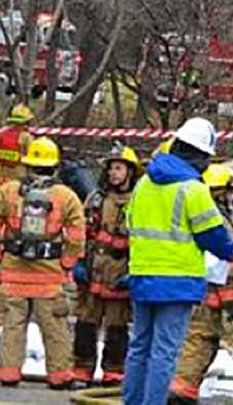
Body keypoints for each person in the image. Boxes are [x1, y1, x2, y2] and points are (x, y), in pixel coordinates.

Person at [124, 117, 233, 405]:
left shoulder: (143, 184)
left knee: (139, 346)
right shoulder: (193, 189)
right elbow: (214, 237)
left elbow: (130, 223)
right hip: (178, 281)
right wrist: (230, 250)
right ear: (201, 156)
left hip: (142, 275)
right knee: (165, 350)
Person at [0, 136, 85, 388]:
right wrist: (67, 262)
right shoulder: (66, 197)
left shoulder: (8, 192)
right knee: (55, 328)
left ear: (27, 164)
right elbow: (77, 235)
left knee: (12, 327)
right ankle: (59, 377)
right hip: (50, 277)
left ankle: (8, 373)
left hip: (13, 273)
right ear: (55, 166)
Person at [169, 162, 233, 405]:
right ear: (221, 193)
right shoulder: (217, 222)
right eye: (230, 192)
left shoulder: (190, 213)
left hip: (184, 289)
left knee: (185, 341)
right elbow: (218, 267)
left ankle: (177, 390)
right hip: (204, 296)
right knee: (200, 342)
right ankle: (179, 394)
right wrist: (232, 301)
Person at [73, 143, 143, 386]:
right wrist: (79, 261)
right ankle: (82, 368)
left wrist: (134, 272)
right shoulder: (97, 199)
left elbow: (144, 241)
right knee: (85, 323)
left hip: (120, 275)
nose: (114, 173)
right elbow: (81, 232)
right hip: (93, 273)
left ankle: (114, 370)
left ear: (130, 172)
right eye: (111, 168)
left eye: (119, 168)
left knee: (117, 327)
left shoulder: (139, 202)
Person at [0, 104, 34, 181]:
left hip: (2, 175)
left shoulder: (1, 134)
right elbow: (32, 158)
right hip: (19, 175)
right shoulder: (26, 137)